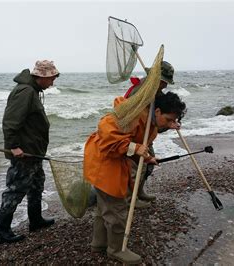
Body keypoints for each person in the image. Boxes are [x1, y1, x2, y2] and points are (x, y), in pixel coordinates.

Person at [83, 92, 186, 264]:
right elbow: (107, 132)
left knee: (104, 207)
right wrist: (134, 147)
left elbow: (136, 145)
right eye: (168, 120)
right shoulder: (133, 113)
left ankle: (99, 244)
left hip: (104, 161)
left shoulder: (151, 123)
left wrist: (146, 157)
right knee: (117, 209)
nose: (169, 124)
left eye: (173, 121)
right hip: (105, 162)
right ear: (158, 111)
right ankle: (115, 249)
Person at [0, 60, 59, 244]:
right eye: (51, 79)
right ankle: (3, 232)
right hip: (23, 153)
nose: (53, 83)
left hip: (34, 153)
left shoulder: (34, 91)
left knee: (36, 185)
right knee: (15, 190)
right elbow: (10, 121)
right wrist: (14, 146)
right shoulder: (25, 92)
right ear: (41, 77)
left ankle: (36, 221)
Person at [124, 61, 180, 205]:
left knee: (150, 162)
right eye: (164, 82)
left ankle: (139, 191)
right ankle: (131, 199)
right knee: (136, 166)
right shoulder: (140, 91)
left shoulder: (157, 92)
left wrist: (169, 123)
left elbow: (158, 121)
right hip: (133, 135)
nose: (166, 85)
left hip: (147, 134)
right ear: (156, 78)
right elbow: (132, 118)